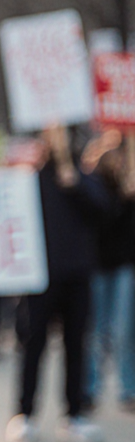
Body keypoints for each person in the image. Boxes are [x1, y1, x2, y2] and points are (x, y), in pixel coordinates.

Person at [6, 127, 110, 442]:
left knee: (75, 346)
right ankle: (24, 414)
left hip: (77, 276)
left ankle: (74, 414)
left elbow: (104, 212)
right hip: (39, 279)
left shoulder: (82, 177)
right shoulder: (31, 179)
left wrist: (76, 185)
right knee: (32, 346)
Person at [82, 136, 135, 413]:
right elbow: (100, 221)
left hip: (124, 265)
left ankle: (129, 387)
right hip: (99, 265)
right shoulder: (96, 188)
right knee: (97, 329)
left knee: (124, 330)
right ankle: (90, 386)